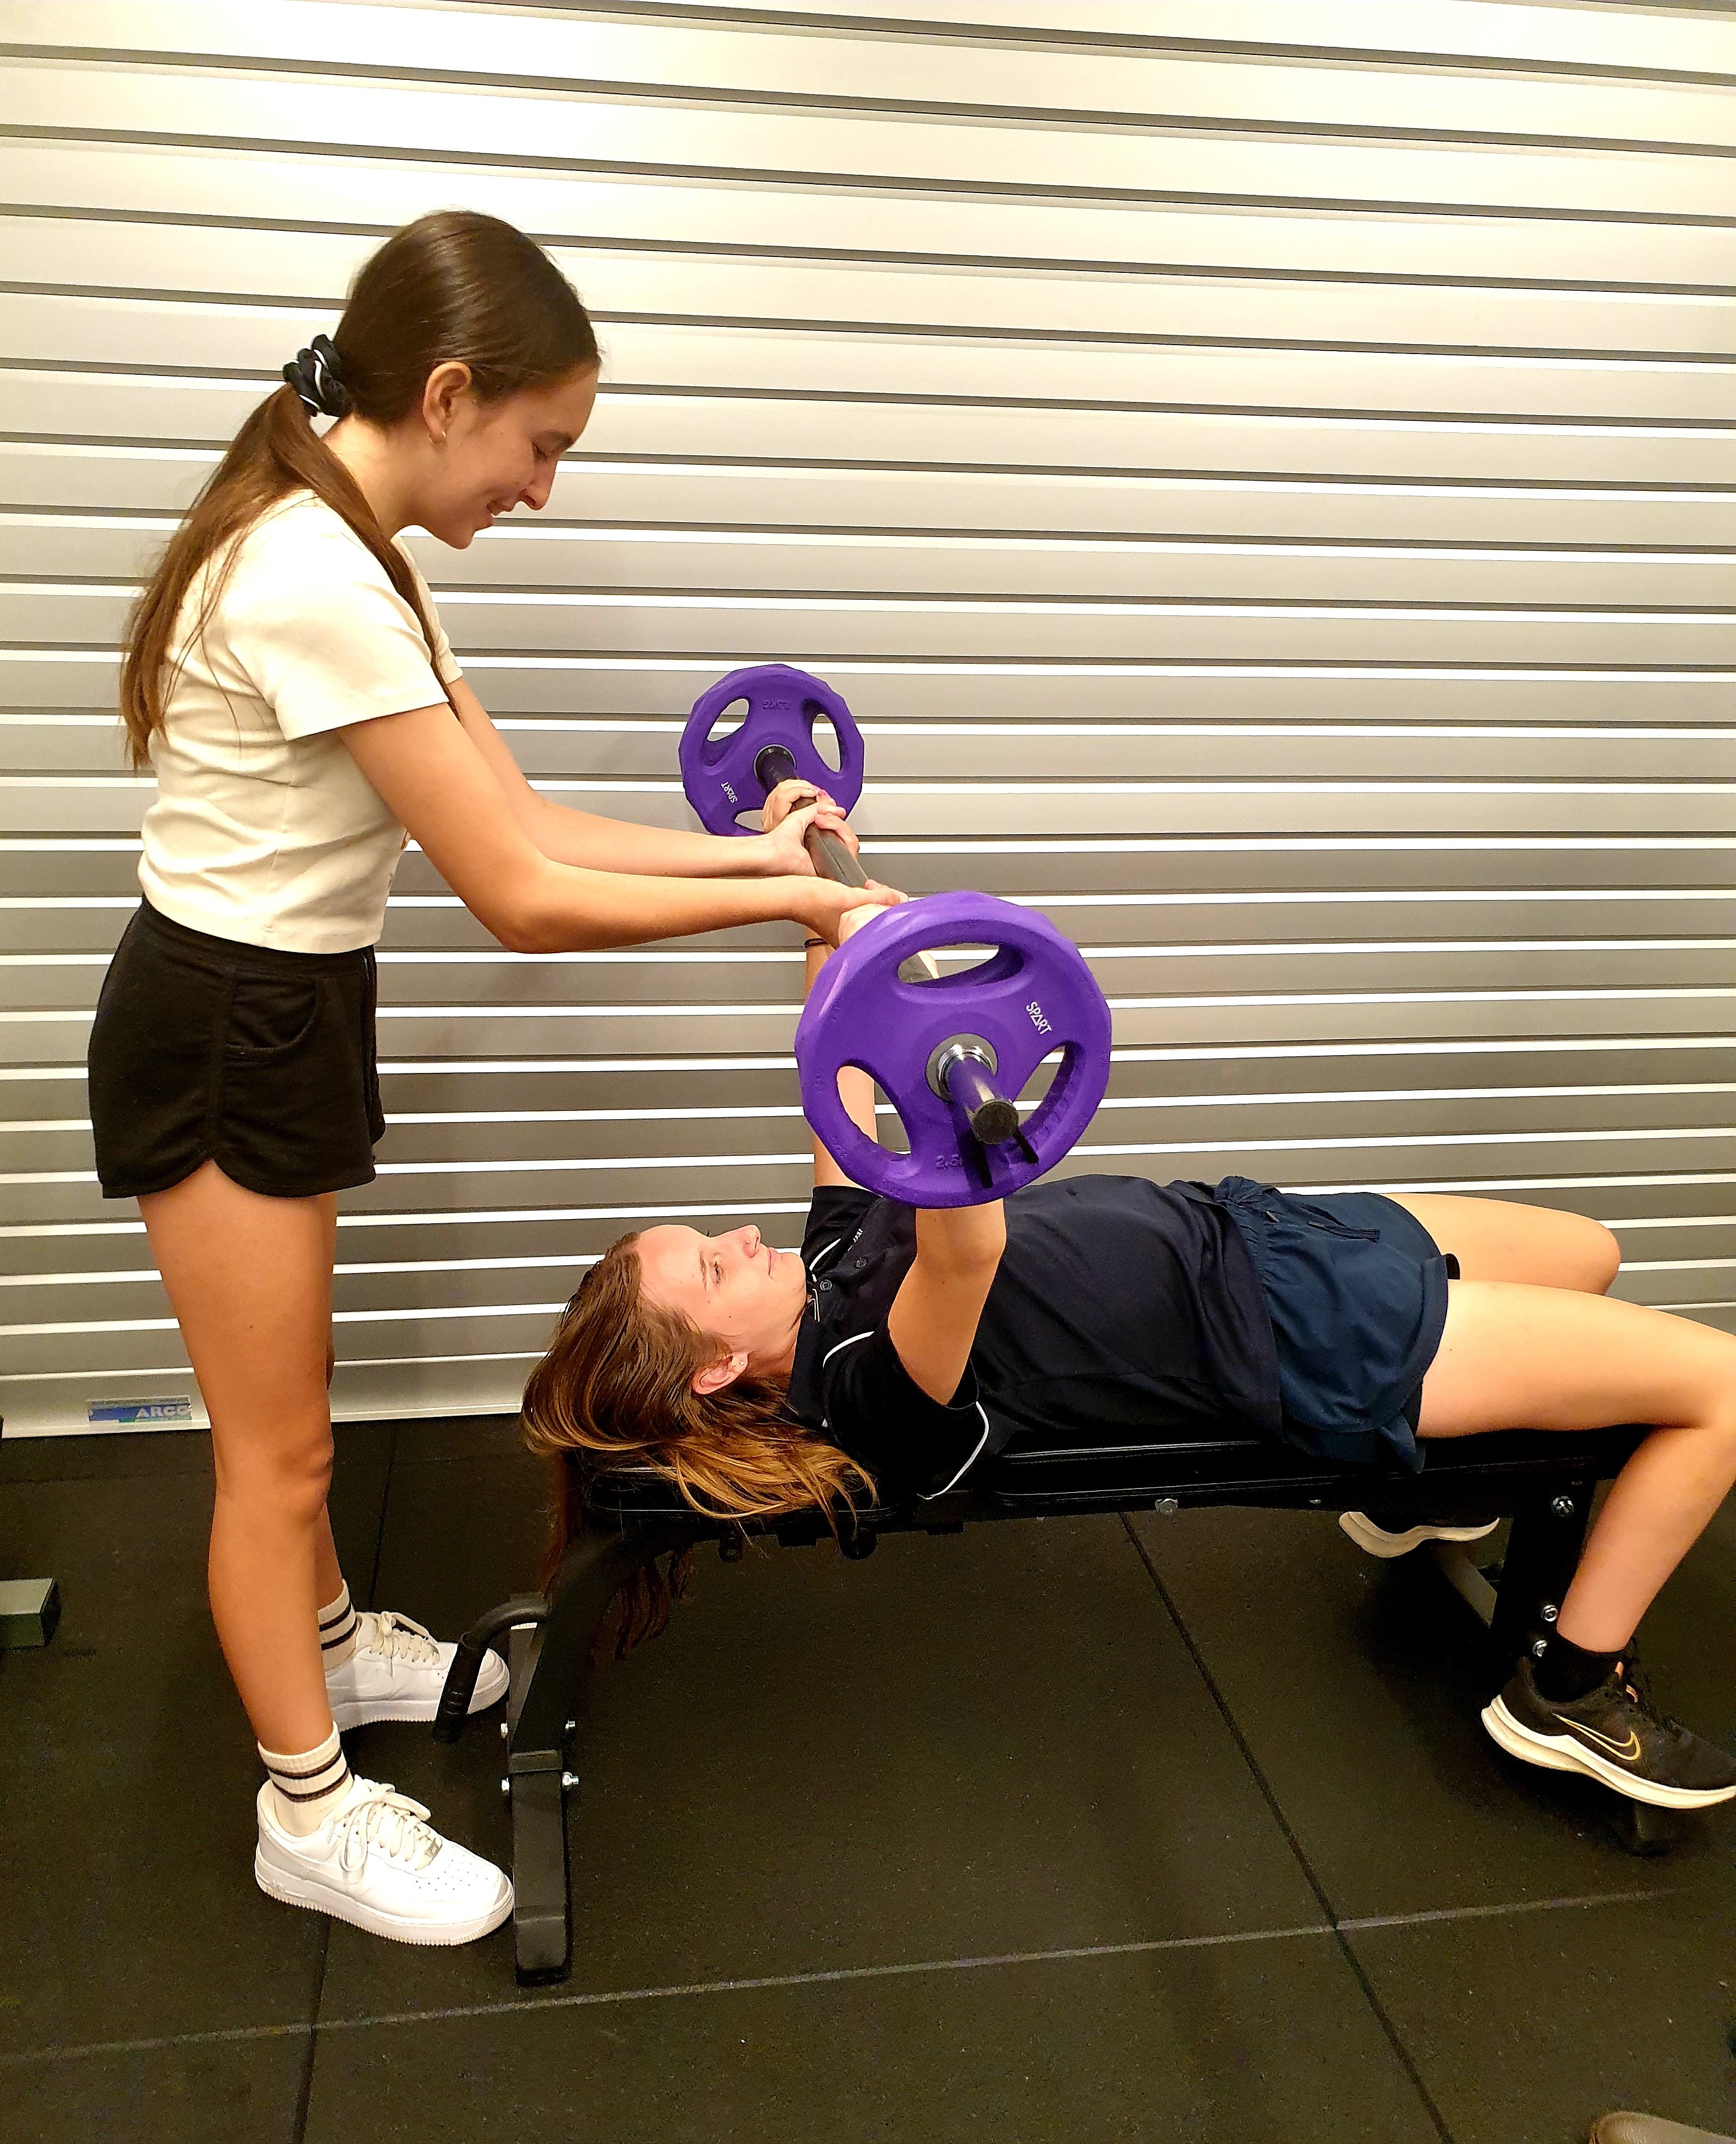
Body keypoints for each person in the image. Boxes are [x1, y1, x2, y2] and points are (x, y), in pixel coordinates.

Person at [88, 210, 887, 1947]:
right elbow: (516, 895)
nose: (543, 488)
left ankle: (319, 1645)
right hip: (225, 1025)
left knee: (284, 1427)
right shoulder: (310, 571)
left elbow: (519, 818)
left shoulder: (368, 553)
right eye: (540, 445)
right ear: (449, 394)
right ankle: (303, 1807)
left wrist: (761, 867)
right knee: (276, 1454)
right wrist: (794, 891)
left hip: (283, 1006)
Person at [523, 893, 1736, 1817]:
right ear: (715, 1370)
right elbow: (962, 1253)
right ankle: (1570, 1690)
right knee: (1716, 1385)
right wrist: (953, 1081)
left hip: (1249, 1226)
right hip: (1293, 1335)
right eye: (714, 1268)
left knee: (1589, 1250)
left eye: (717, 1238)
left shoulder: (825, 1260)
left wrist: (822, 904)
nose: (740, 1239)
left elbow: (830, 1072)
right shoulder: (862, 1383)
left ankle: (1418, 1492)